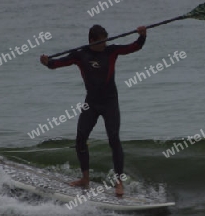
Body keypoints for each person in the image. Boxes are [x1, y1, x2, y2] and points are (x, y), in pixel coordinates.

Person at [40, 25, 147, 197]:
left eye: (106, 40)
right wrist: (47, 63)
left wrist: (142, 36)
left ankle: (119, 183)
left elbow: (134, 47)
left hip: (110, 102)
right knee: (81, 138)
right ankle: (85, 179)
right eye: (100, 41)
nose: (104, 44)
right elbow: (58, 64)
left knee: (114, 139)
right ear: (91, 40)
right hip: (91, 103)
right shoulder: (81, 55)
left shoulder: (111, 51)